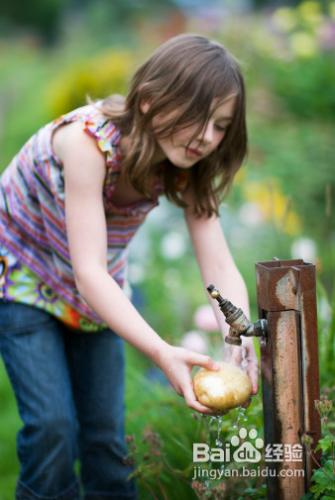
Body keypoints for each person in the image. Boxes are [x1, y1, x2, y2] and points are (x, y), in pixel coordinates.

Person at [0, 33, 259, 500]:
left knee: (105, 436)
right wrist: (161, 351)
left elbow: (217, 259)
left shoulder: (188, 163)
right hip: (24, 276)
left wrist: (237, 337)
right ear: (147, 102)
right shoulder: (86, 142)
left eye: (220, 125)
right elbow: (89, 273)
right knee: (53, 428)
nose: (206, 137)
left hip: (96, 290)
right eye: (196, 118)